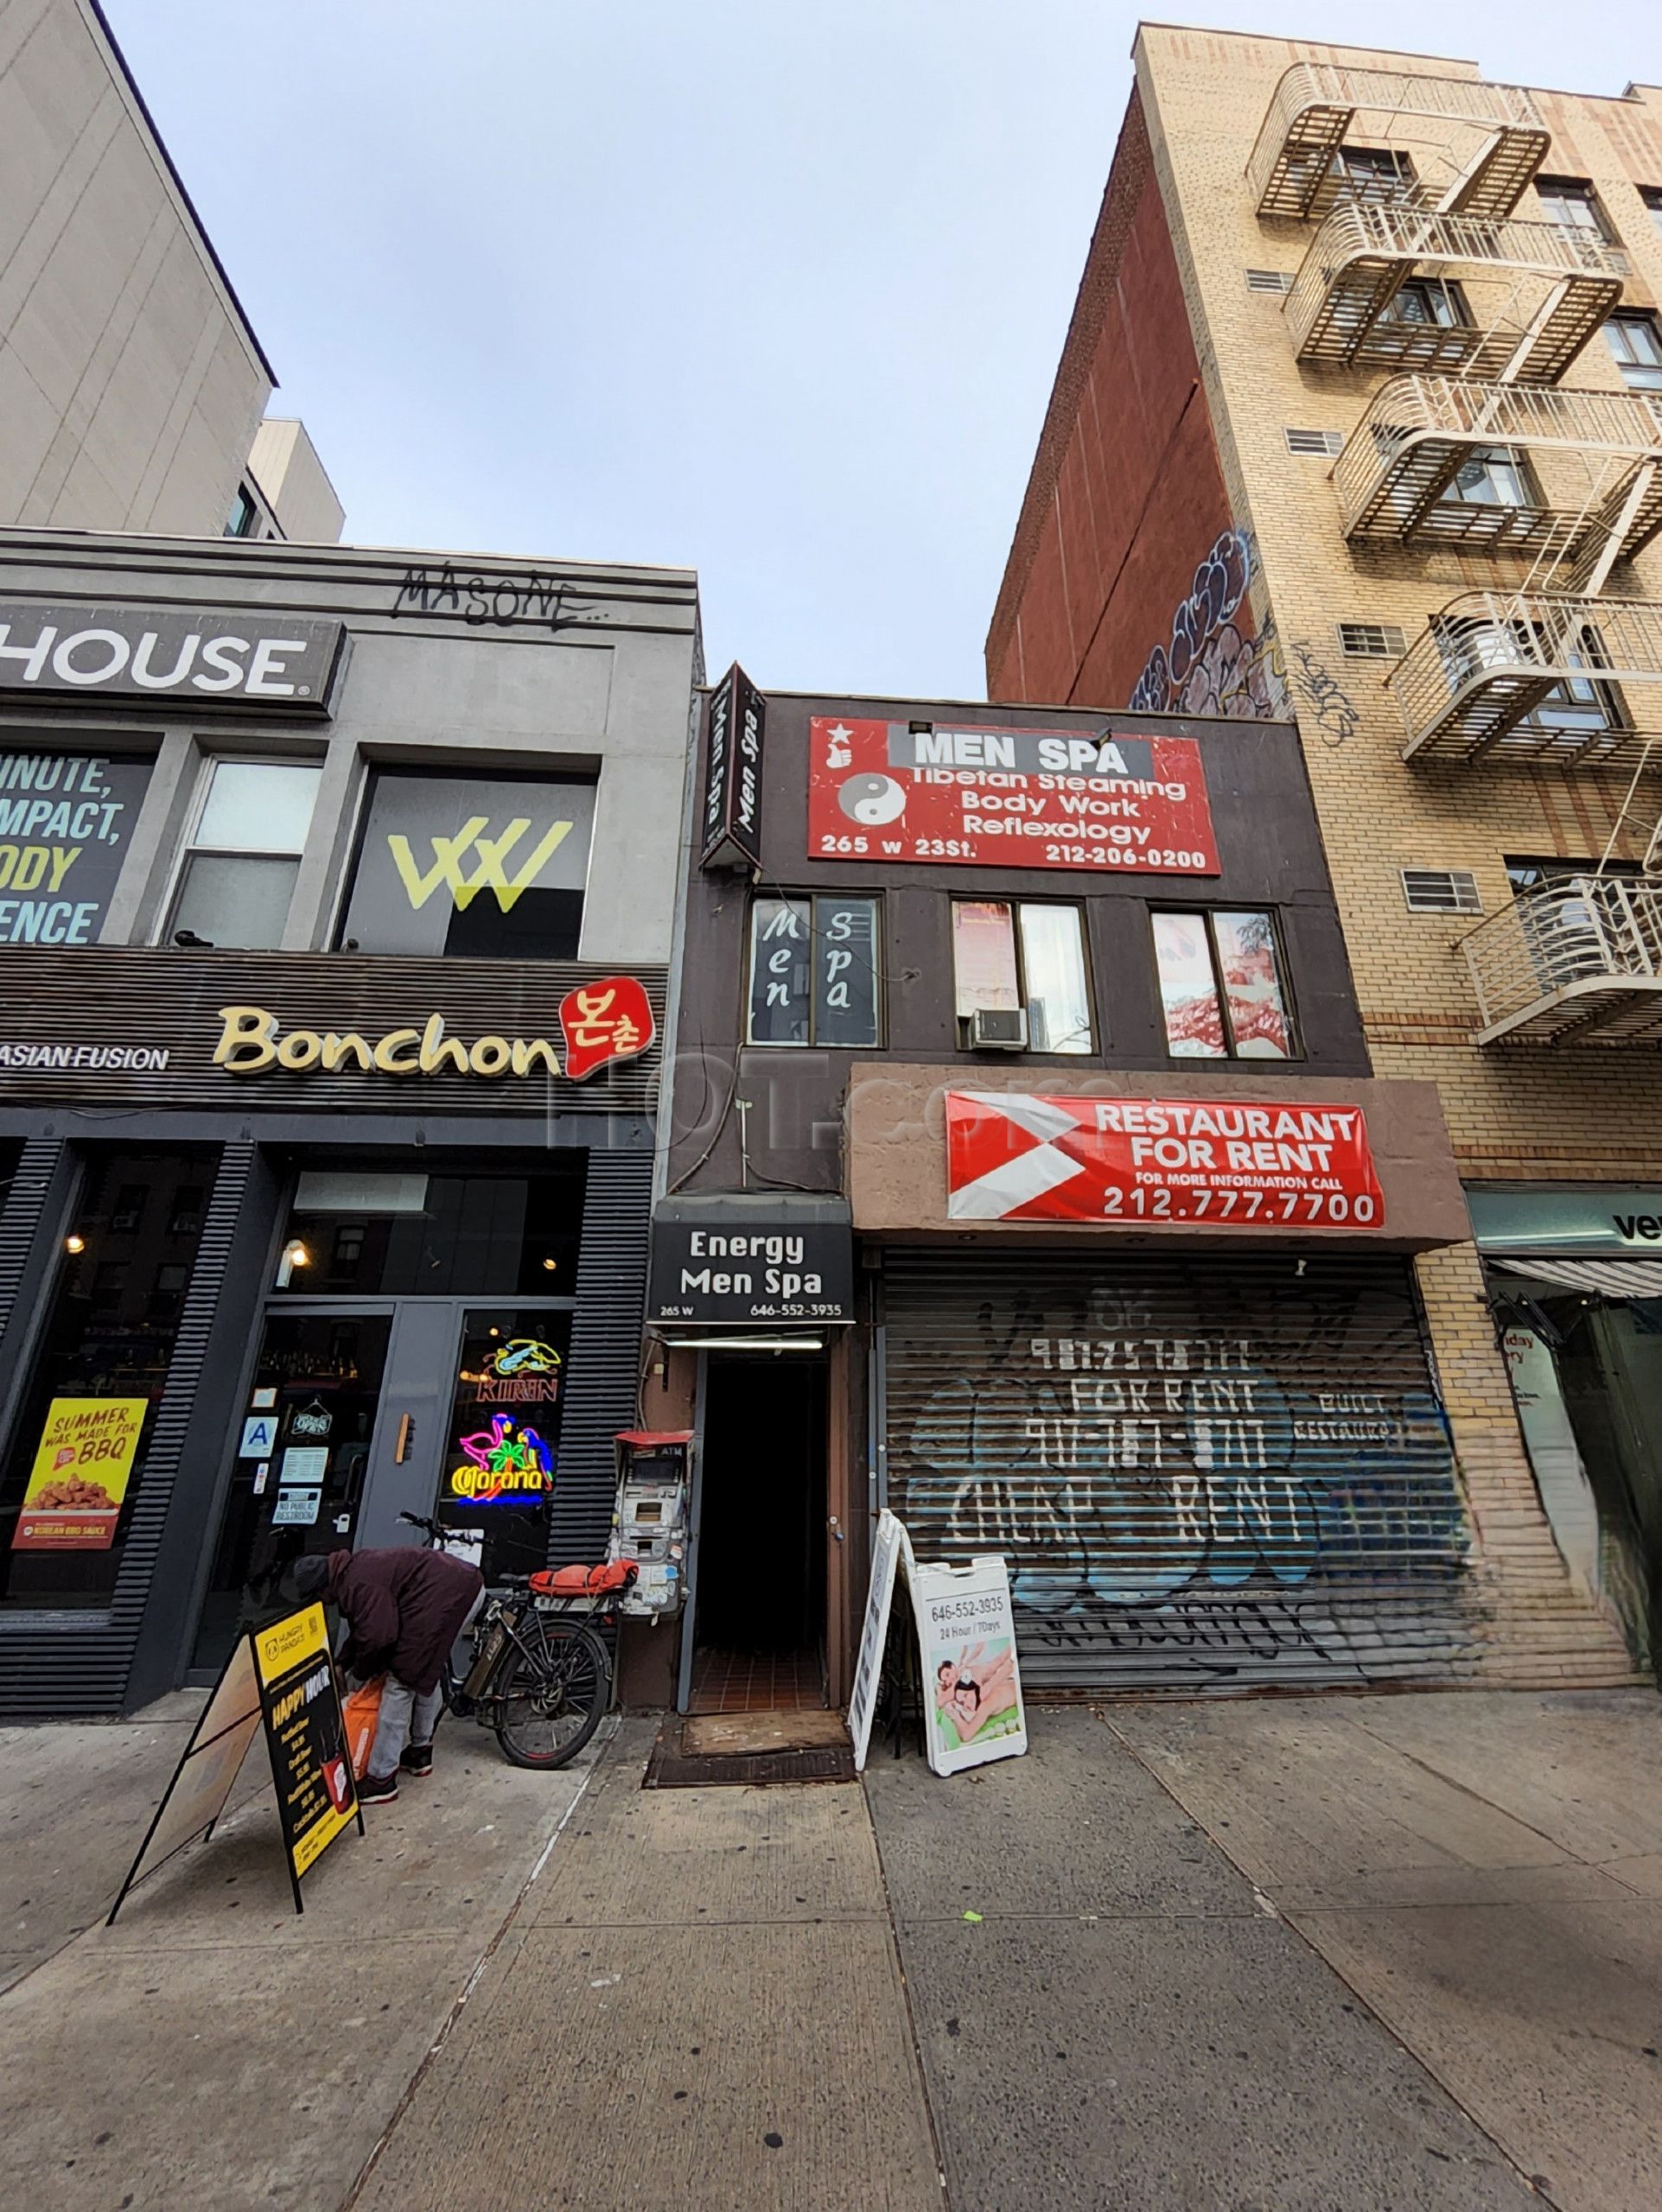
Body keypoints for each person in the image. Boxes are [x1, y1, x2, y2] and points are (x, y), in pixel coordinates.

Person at [291, 1545, 484, 1804]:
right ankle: (420, 1752)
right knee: (424, 1670)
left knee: (401, 1682)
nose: (321, 1603)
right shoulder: (353, 1573)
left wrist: (360, 1676)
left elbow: (379, 1637)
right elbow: (367, 1627)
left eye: (316, 1597)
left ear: (323, 1588)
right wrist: (342, 1661)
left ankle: (381, 1779)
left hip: (449, 1594)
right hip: (462, 1586)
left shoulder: (356, 1585)